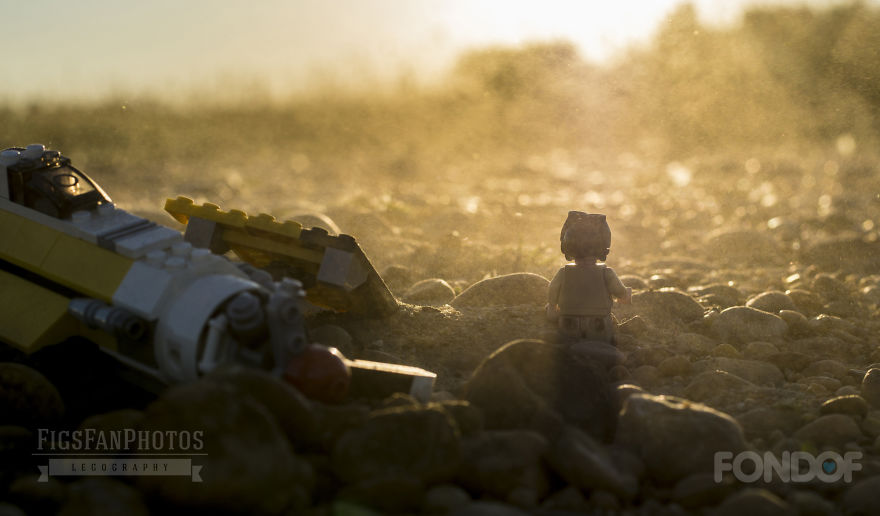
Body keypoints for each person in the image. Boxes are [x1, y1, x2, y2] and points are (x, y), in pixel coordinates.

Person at [546, 211, 632, 344]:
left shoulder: (564, 273)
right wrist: (625, 294)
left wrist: (552, 306)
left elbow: (552, 290)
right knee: (600, 341)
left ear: (567, 246)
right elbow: (620, 292)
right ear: (603, 247)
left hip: (569, 321)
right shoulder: (606, 273)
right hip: (598, 322)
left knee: (568, 340)